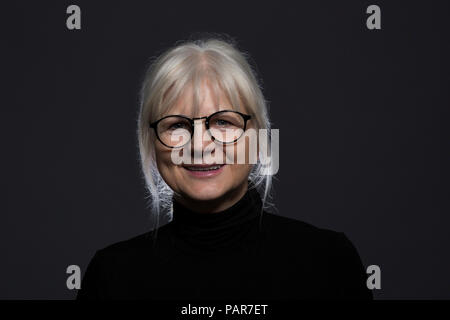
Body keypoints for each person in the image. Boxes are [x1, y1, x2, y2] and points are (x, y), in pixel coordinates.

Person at [76, 36, 373, 300]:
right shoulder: (112, 276)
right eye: (177, 125)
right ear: (152, 144)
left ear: (257, 136)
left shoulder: (328, 262)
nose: (200, 145)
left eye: (223, 122)